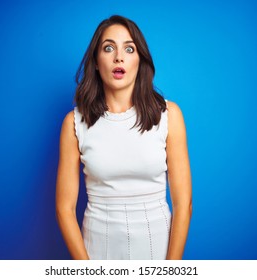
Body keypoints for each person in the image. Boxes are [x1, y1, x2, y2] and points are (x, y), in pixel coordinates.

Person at [56, 15, 192, 260]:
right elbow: (65, 209)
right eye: (109, 48)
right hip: (98, 250)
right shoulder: (74, 124)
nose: (119, 57)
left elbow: (184, 205)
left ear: (140, 60)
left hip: (158, 249)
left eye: (129, 49)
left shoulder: (169, 115)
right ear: (96, 62)